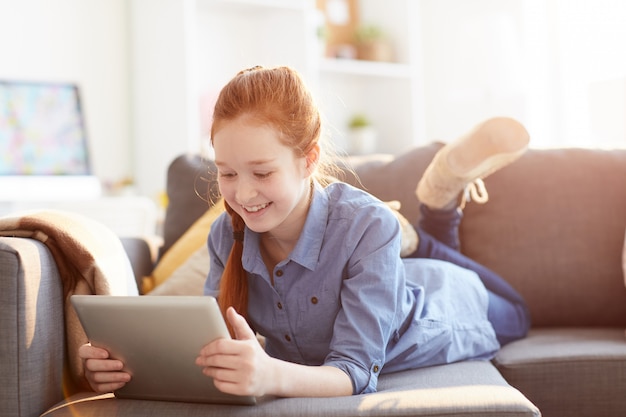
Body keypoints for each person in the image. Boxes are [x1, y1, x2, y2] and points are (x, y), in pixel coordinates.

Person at [79, 65, 530, 398]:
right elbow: (214, 351)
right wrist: (126, 368)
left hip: (448, 302)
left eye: (261, 171)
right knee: (386, 243)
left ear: (309, 159)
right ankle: (426, 220)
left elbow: (354, 372)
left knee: (521, 311)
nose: (243, 193)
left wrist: (272, 375)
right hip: (386, 274)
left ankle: (438, 203)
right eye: (228, 173)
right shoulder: (225, 235)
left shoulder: (366, 225)